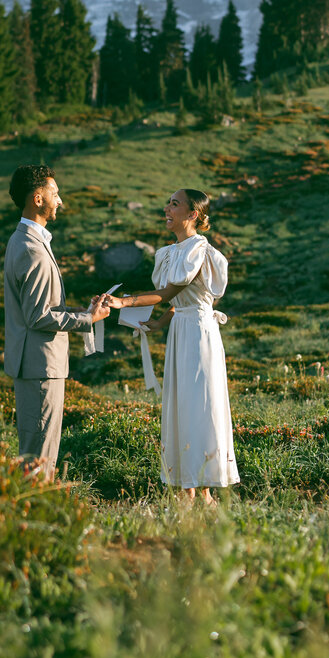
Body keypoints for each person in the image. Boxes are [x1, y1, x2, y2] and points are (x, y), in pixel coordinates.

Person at [106, 188, 239, 503]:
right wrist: (161, 323)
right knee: (181, 403)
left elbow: (168, 294)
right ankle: (186, 486)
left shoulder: (197, 249)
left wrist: (122, 302)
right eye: (169, 203)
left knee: (199, 403)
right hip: (181, 330)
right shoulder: (170, 252)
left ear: (192, 214)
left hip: (199, 333)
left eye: (175, 204)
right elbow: (178, 301)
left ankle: (202, 487)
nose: (167, 208)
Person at [4, 163, 110, 476]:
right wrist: (88, 319)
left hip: (33, 364)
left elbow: (37, 308)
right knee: (40, 455)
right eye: (55, 193)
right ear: (38, 198)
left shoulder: (21, 240)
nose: (60, 200)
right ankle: (34, 514)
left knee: (35, 450)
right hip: (40, 366)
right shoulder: (32, 249)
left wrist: (81, 312)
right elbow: (38, 316)